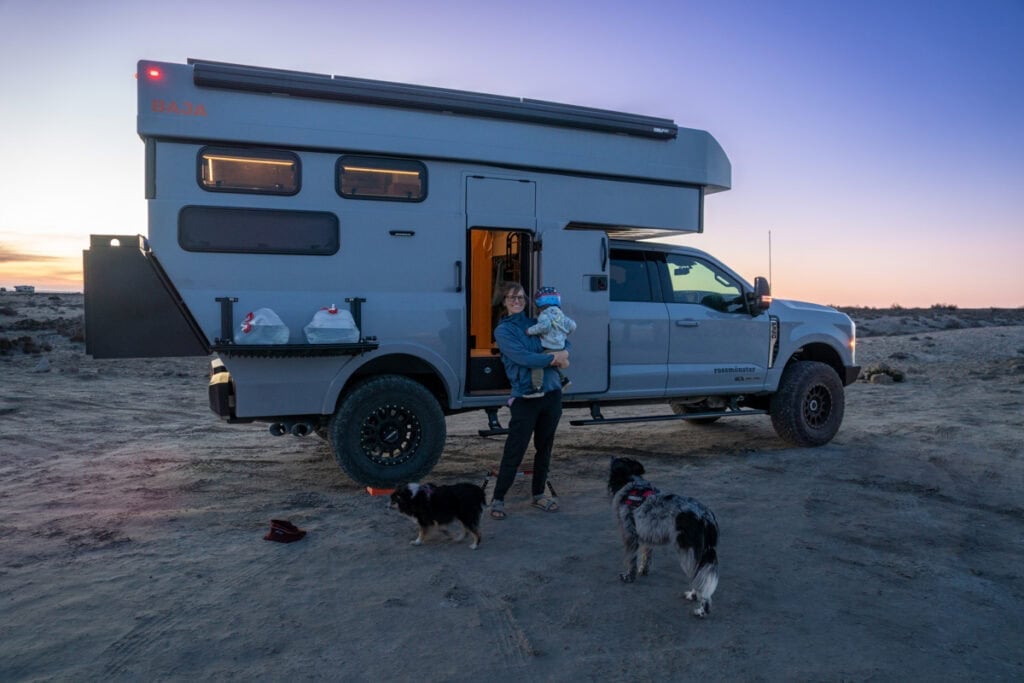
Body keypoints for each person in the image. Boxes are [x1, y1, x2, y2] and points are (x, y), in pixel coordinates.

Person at [489, 282, 569, 520]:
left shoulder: (538, 322)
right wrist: (557, 358)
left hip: (552, 393)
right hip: (525, 397)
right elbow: (523, 358)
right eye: (511, 297)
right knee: (515, 449)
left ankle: (538, 494)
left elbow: (563, 339)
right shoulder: (503, 331)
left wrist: (561, 353)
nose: (517, 301)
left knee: (545, 447)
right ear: (503, 302)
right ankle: (498, 498)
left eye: (521, 297)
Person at [525, 286, 576, 396]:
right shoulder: (560, 314)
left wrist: (530, 331)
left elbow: (545, 327)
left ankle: (537, 389)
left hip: (550, 347)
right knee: (549, 364)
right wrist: (564, 334)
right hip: (560, 347)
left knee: (538, 363)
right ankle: (564, 381)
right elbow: (573, 325)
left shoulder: (544, 314)